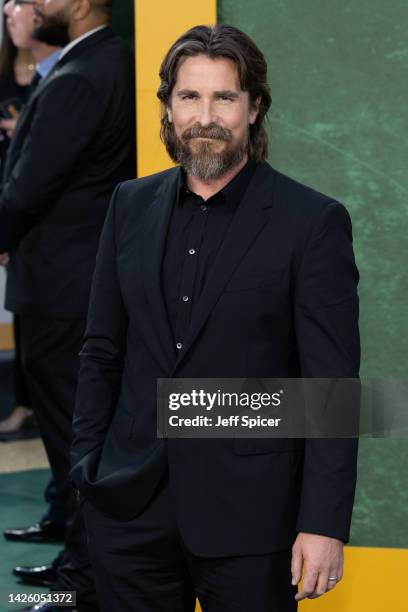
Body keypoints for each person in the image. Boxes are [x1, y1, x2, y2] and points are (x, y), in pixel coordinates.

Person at [71, 24, 360, 612]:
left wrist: (324, 524)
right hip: (128, 509)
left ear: (254, 108)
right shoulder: (128, 205)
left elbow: (331, 389)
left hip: (254, 521)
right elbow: (102, 350)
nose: (206, 116)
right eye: (189, 97)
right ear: (168, 108)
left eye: (224, 97)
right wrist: (88, 470)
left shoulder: (312, 222)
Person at [0, 0, 135, 609]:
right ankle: (80, 557)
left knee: (73, 436)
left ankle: (84, 572)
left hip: (64, 290)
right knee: (75, 433)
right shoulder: (108, 63)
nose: (19, 5)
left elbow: (28, 187)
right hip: (71, 283)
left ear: (79, 6)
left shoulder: (82, 77)